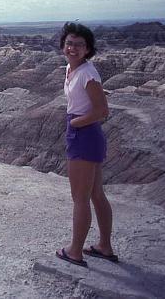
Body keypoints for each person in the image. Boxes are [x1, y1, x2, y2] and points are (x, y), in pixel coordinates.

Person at [55, 22, 118, 268]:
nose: (72, 48)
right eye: (69, 43)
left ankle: (75, 251)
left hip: (84, 134)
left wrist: (77, 123)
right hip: (85, 133)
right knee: (95, 193)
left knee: (79, 197)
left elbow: (102, 110)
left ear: (88, 49)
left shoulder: (87, 73)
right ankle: (104, 246)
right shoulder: (72, 69)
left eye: (79, 45)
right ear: (63, 45)